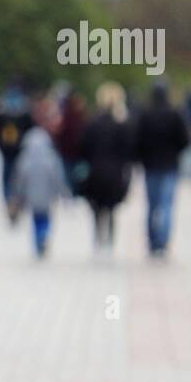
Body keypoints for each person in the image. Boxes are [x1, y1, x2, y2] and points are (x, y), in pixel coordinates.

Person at [134, 83, 190, 257]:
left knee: (152, 205)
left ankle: (152, 241)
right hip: (169, 166)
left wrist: (142, 158)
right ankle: (163, 242)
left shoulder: (146, 115)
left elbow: (137, 140)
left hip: (150, 166)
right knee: (166, 205)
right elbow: (185, 140)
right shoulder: (175, 115)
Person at [79, 82, 135, 254]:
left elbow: (84, 147)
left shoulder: (93, 123)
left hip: (96, 170)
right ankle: (110, 239)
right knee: (111, 208)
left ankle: (97, 237)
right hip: (115, 172)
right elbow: (128, 150)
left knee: (97, 207)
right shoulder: (121, 126)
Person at [11, 127, 69, 258]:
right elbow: (58, 178)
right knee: (46, 218)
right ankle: (44, 234)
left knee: (36, 219)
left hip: (31, 196)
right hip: (47, 196)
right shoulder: (52, 159)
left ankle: (38, 241)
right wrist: (63, 194)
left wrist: (18, 195)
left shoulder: (24, 160)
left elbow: (19, 180)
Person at [0, 86, 34, 222]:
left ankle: (10, 200)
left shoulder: (2, 110)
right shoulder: (24, 111)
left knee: (7, 176)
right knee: (18, 177)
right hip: (17, 150)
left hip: (7, 150)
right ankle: (14, 200)